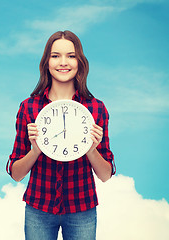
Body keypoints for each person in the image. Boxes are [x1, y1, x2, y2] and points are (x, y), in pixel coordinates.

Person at [6, 30, 115, 240]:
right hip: (39, 208)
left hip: (82, 208)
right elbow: (16, 173)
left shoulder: (96, 109)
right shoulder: (29, 108)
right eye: (55, 56)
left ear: (80, 62)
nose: (63, 62)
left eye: (71, 56)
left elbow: (105, 175)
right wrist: (35, 150)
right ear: (46, 62)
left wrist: (91, 149)